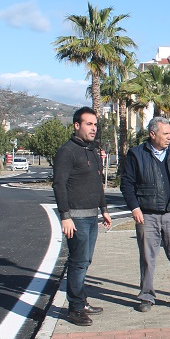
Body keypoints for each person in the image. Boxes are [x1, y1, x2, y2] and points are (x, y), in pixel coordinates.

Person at [120, 116, 170, 312]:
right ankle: (146, 296)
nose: (169, 137)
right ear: (152, 134)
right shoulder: (136, 154)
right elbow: (127, 184)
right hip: (147, 215)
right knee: (147, 258)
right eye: (165, 134)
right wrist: (134, 208)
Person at [52, 106, 112, 326]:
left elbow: (97, 184)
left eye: (95, 124)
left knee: (85, 261)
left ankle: (81, 301)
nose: (93, 128)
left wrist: (104, 209)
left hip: (92, 216)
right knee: (78, 263)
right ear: (77, 125)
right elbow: (59, 185)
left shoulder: (92, 151)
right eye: (89, 124)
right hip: (76, 218)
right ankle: (75, 308)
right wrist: (65, 216)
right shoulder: (67, 152)